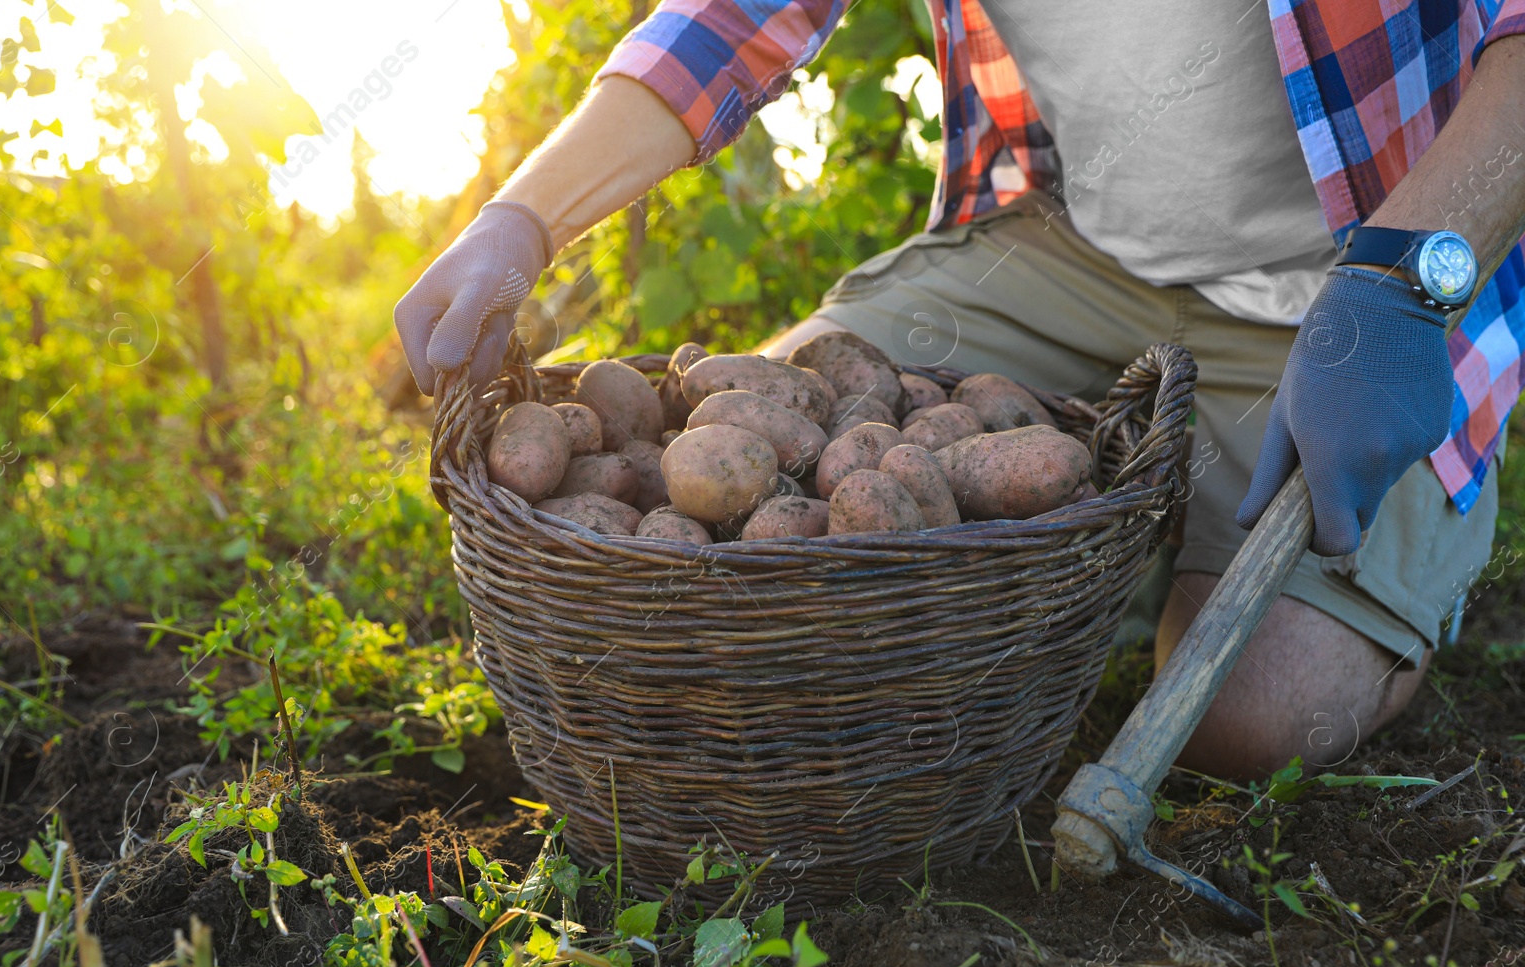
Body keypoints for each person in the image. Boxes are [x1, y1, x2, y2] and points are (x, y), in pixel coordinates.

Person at [395, 1, 1525, 780]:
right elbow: (734, 20)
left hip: (1360, 273)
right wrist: (522, 218)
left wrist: (1402, 281)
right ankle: (1116, 534)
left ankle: (1377, 569)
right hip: (1071, 252)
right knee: (773, 505)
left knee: (1244, 720)